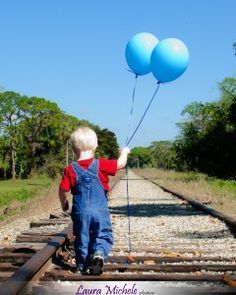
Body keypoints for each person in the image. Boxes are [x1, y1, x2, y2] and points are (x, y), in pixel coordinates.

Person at [59, 126, 130, 275]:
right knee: (103, 233)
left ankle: (82, 266)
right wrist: (124, 152)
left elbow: (63, 190)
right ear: (95, 146)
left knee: (82, 236)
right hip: (100, 210)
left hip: (80, 211)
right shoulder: (101, 164)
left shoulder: (70, 169)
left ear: (73, 148)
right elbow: (120, 164)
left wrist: (64, 204)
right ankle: (99, 253)